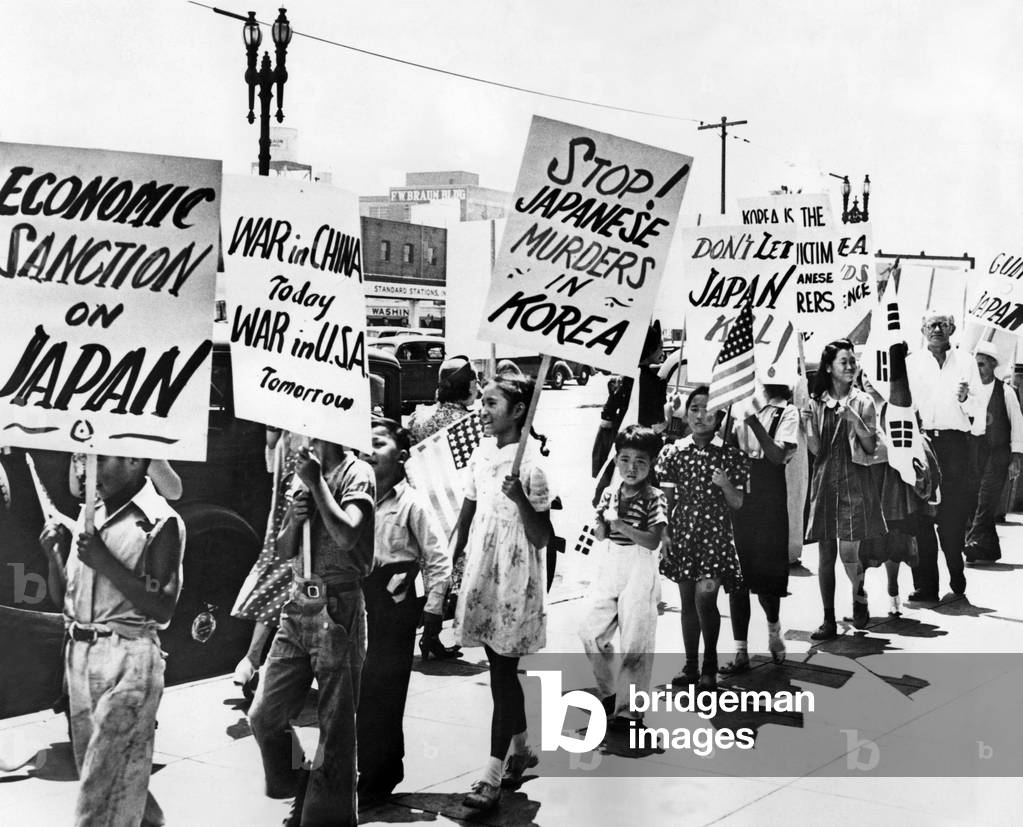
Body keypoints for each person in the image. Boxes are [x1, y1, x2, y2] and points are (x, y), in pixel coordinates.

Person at [41, 455, 185, 827]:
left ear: (135, 460)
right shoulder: (91, 514)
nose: (83, 470)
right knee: (107, 776)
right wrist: (53, 554)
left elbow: (163, 606)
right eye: (79, 460)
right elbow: (65, 599)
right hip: (80, 659)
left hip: (129, 663)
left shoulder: (160, 520)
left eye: (98, 458)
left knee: (98, 801)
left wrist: (105, 561)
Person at [248, 438, 375, 827]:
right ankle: (302, 780)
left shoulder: (357, 473)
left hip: (337, 605)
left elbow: (348, 535)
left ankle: (326, 817)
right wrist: (294, 518)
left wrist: (317, 484)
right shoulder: (303, 472)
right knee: (265, 714)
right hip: (297, 603)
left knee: (335, 727)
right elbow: (284, 547)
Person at [452, 374, 553, 811]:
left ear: (518, 411)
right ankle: (523, 748)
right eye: (483, 401)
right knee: (499, 669)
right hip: (482, 570)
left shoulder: (530, 465)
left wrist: (521, 500)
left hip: (514, 575)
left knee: (502, 672)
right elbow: (469, 506)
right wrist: (453, 560)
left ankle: (492, 776)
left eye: (492, 403)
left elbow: (543, 535)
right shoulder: (481, 453)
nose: (483, 409)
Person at [358, 417, 451, 805]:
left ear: (402, 457)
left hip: (395, 604)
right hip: (358, 602)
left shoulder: (411, 502)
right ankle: (363, 765)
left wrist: (432, 610)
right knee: (360, 689)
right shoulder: (352, 498)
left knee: (387, 689)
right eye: (365, 445)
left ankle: (383, 772)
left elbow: (437, 558)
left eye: (380, 444)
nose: (370, 451)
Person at [656, 386, 748, 693]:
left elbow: (738, 503)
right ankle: (691, 666)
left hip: (715, 537)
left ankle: (710, 666)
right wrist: (665, 531)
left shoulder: (730, 455)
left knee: (706, 599)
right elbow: (665, 499)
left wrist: (724, 484)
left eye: (707, 410)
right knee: (686, 603)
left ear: (720, 416)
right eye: (694, 408)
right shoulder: (674, 452)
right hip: (684, 535)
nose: (699, 415)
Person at [580, 425, 667, 731]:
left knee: (636, 641)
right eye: (625, 459)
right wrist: (602, 521)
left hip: (639, 567)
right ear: (616, 460)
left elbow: (653, 541)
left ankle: (630, 711)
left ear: (651, 463)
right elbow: (602, 534)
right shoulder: (610, 493)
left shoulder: (655, 496)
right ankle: (611, 693)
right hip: (610, 564)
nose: (632, 468)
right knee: (590, 631)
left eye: (641, 461)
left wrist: (621, 525)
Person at [801, 339, 884, 640]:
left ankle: (858, 592)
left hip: (854, 480)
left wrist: (856, 420)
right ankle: (828, 619)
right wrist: (807, 424)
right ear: (828, 367)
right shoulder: (816, 402)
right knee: (825, 552)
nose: (850, 367)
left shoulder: (863, 401)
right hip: (824, 481)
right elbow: (815, 449)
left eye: (852, 361)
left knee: (850, 551)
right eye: (843, 362)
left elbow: (871, 446)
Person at [720, 384, 797, 675]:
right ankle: (740, 650)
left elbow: (777, 456)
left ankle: (774, 627)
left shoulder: (786, 411)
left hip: (769, 497)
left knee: (767, 579)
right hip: (739, 493)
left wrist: (753, 421)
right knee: (737, 575)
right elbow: (723, 446)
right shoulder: (737, 401)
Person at [904, 309, 980, 601]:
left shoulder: (966, 362)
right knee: (920, 516)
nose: (937, 329)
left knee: (952, 515)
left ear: (952, 329)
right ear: (922, 329)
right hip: (920, 444)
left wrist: (965, 399)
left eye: (943, 324)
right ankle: (926, 585)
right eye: (932, 324)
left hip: (955, 446)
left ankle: (955, 569)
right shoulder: (911, 364)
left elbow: (979, 411)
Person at [231, 428, 302, 694]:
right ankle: (253, 658)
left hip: (314, 507)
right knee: (279, 577)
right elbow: (272, 450)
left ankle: (255, 660)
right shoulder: (285, 432)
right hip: (288, 512)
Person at [857, 371, 931, 616]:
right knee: (859, 542)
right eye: (863, 373)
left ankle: (893, 589)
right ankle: (858, 596)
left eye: (873, 373)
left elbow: (916, 436)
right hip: (864, 477)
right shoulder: (855, 403)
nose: (868, 378)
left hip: (893, 481)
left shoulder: (900, 405)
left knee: (894, 538)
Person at [964, 341, 1023, 564]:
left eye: (982, 365)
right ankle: (990, 549)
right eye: (975, 365)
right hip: (974, 450)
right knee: (974, 497)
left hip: (997, 452)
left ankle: (974, 540)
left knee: (986, 498)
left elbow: (1017, 424)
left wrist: (1016, 456)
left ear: (992, 365)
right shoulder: (969, 391)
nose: (978, 370)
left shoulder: (1006, 392)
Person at [407, 356, 479, 445]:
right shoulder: (469, 423)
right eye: (476, 383)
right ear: (466, 387)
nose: (478, 389)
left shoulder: (418, 415)